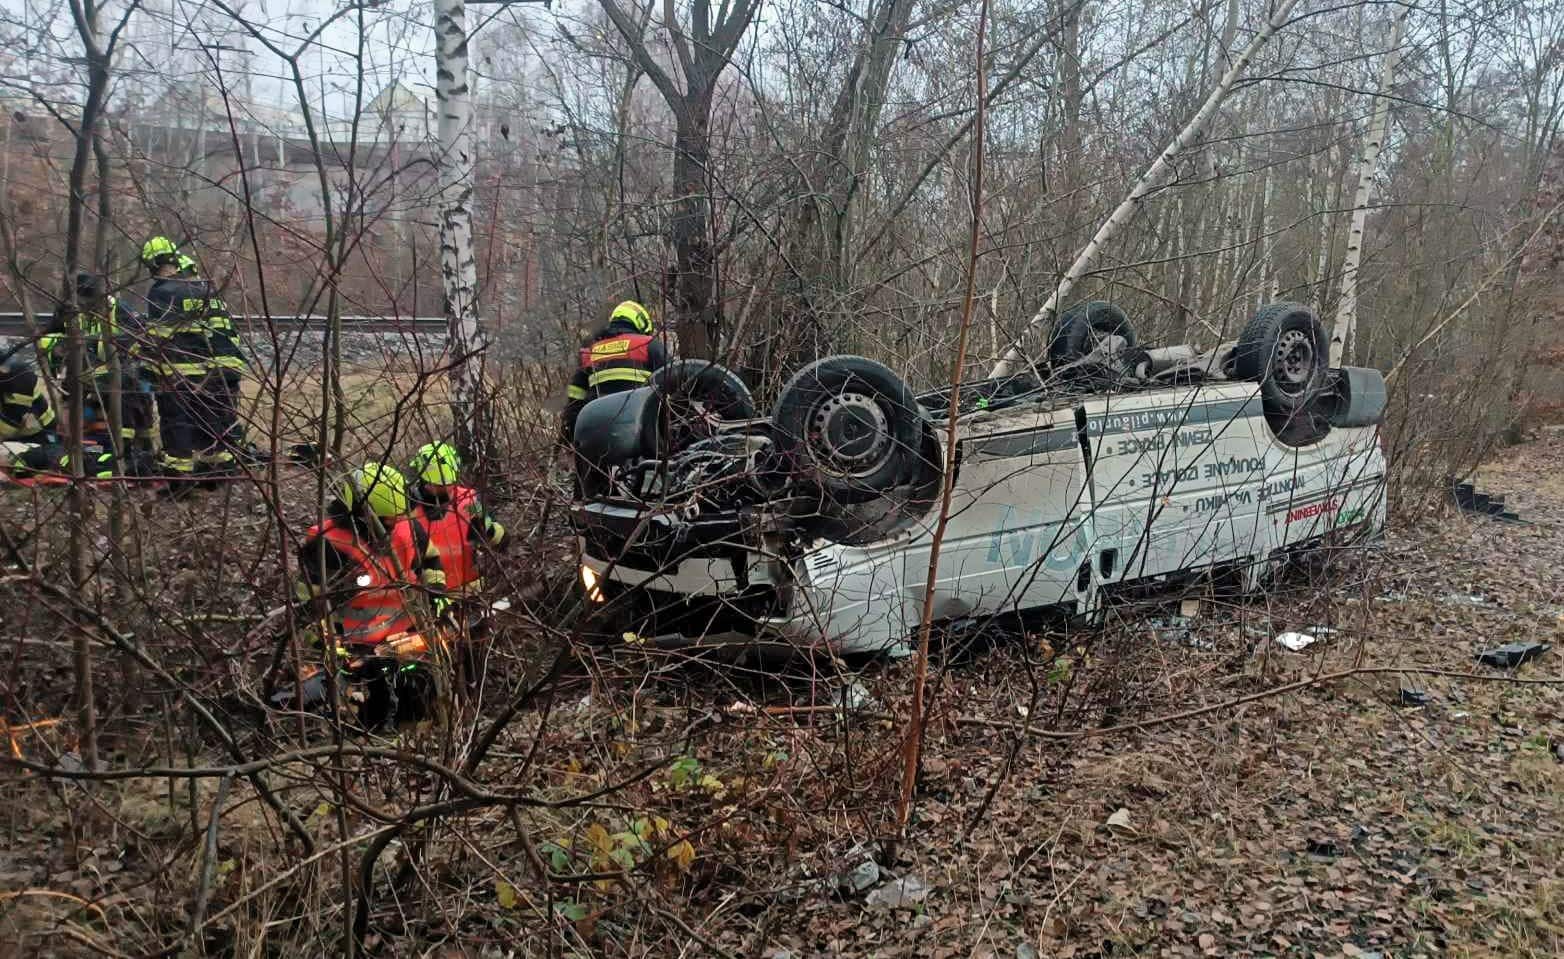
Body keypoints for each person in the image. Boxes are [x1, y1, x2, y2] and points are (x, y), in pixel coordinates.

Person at [296, 462, 445, 651]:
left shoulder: (408, 529)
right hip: (351, 646)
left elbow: (430, 560)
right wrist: (321, 644)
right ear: (363, 515)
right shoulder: (328, 542)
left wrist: (437, 594)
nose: (395, 522)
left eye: (397, 516)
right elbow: (306, 601)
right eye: (388, 518)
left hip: (406, 638)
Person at [135, 236, 248, 482]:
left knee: (177, 424)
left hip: (180, 375)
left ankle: (180, 477)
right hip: (221, 373)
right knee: (215, 423)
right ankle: (218, 472)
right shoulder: (208, 291)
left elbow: (159, 339)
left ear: (155, 264)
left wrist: (147, 371)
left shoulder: (163, 292)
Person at [39, 273, 158, 474]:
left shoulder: (117, 309)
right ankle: (69, 443)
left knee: (133, 395)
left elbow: (140, 338)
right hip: (80, 373)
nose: (88, 306)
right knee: (71, 405)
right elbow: (49, 333)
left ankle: (132, 450)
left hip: (117, 372)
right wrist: (58, 349)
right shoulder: (67, 310)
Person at [408, 441, 506, 610]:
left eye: (450, 485)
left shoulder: (468, 499)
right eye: (439, 487)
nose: (446, 490)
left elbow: (494, 532)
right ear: (422, 479)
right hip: (430, 598)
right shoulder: (408, 511)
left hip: (474, 590)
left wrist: (492, 532)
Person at [560, 299, 667, 441]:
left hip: (597, 428)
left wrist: (570, 434)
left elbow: (575, 399)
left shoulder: (591, 351)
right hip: (640, 427)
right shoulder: (649, 345)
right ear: (641, 323)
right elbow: (674, 381)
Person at [0, 358, 114, 479]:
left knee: (88, 450)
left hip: (39, 437)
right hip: (40, 441)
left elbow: (11, 423)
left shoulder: (19, 378)